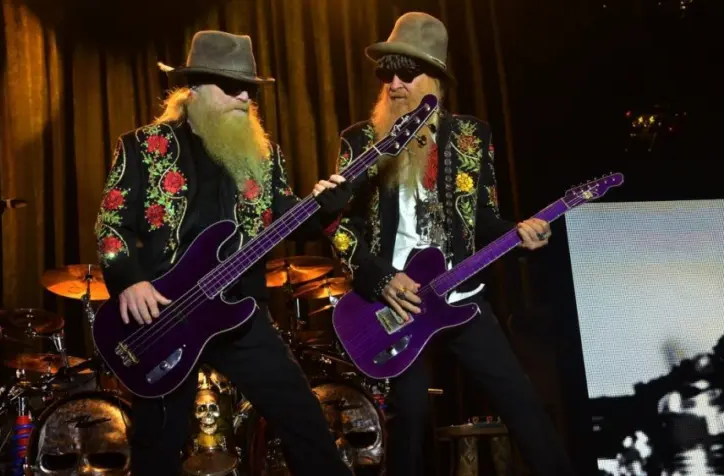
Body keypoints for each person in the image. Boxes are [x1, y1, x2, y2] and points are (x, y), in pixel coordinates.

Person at [323, 12, 576, 476]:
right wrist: (381, 280)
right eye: (386, 73)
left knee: (521, 403)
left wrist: (518, 234)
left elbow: (480, 217)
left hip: (462, 297)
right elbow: (340, 227)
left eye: (407, 72)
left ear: (435, 78)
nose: (394, 83)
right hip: (398, 304)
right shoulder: (360, 141)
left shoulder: (471, 137)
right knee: (411, 417)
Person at [94, 30, 352, 476]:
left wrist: (326, 208)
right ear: (193, 87)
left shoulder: (265, 154)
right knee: (157, 442)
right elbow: (110, 223)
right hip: (165, 317)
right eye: (231, 87)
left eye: (249, 89)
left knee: (305, 420)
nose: (244, 97)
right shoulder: (142, 146)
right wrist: (129, 281)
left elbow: (289, 221)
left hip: (240, 312)